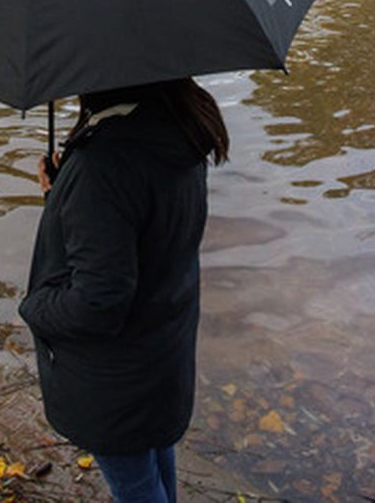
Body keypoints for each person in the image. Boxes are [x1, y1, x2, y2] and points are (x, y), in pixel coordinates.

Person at [19, 78, 229, 503]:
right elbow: (138, 236)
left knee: (135, 487)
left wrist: (35, 307)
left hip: (114, 377)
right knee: (152, 459)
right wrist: (63, 197)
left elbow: (98, 302)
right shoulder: (178, 131)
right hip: (160, 353)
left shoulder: (102, 164)